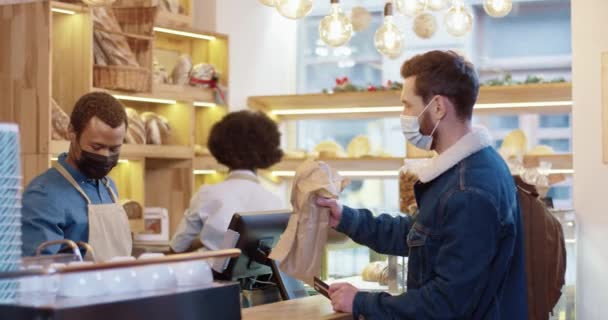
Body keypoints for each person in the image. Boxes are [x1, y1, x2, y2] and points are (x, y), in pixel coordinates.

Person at [316, 51, 528, 319]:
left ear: (438, 107)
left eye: (407, 105)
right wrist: (345, 217)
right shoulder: (466, 171)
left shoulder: (469, 190)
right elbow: (415, 234)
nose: (404, 115)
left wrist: (362, 303)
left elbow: (445, 304)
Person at [22, 92, 131, 262]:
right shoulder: (43, 195)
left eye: (114, 149)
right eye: (97, 147)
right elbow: (38, 273)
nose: (105, 156)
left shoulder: (109, 188)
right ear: (71, 132)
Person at [170, 110, 285, 253]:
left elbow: (178, 245)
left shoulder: (208, 194)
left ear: (219, 148)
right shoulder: (275, 201)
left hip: (209, 273)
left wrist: (204, 240)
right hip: (257, 274)